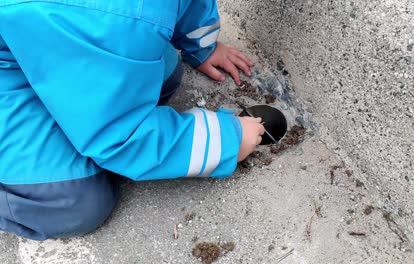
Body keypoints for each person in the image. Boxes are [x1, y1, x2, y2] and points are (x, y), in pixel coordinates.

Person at [0, 0, 265, 240]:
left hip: (39, 40)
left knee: (165, 72)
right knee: (72, 201)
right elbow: (119, 134)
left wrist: (203, 45)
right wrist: (227, 141)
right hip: (13, 69)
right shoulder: (109, 17)